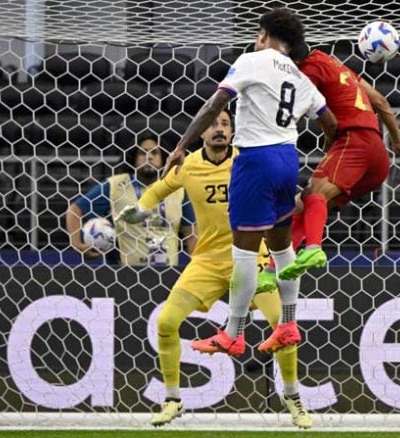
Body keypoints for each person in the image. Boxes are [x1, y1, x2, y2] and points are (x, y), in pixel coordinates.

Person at [117, 109, 313, 428]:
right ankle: (173, 400)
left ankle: (292, 396)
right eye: (212, 124)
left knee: (282, 323)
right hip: (207, 260)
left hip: (252, 257)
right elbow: (157, 189)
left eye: (225, 124)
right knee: (166, 322)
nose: (219, 129)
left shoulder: (248, 160)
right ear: (202, 133)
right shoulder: (188, 165)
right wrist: (141, 209)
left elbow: (280, 187)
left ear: (233, 131)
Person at [164, 8, 337, 356]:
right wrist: (327, 162)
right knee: (282, 249)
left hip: (255, 161)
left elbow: (214, 105)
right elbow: (330, 123)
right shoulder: (301, 77)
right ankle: (288, 324)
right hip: (288, 161)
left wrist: (182, 145)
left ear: (264, 35)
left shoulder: (251, 61)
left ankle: (233, 333)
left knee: (243, 253)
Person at [260, 43, 400, 283]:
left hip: (354, 141)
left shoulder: (309, 70)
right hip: (377, 155)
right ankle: (272, 270)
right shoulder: (334, 64)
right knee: (304, 205)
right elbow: (381, 102)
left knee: (314, 194)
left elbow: (302, 112)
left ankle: (313, 248)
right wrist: (397, 142)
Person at [66, 131, 195, 265]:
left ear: (164, 158)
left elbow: (192, 233)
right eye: (142, 153)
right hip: (126, 273)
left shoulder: (177, 189)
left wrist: (195, 265)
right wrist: (77, 244)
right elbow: (74, 210)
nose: (149, 157)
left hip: (169, 273)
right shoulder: (115, 185)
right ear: (133, 157)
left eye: (154, 153)